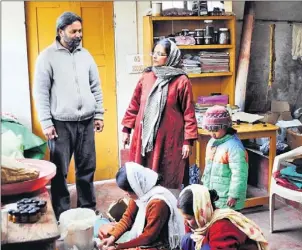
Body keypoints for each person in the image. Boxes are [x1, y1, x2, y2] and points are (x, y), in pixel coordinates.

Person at [33, 12, 104, 218]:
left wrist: (98, 114)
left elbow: (96, 87)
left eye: (80, 31)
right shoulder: (47, 57)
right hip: (60, 123)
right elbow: (41, 92)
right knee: (59, 172)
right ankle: (62, 212)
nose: (78, 35)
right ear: (60, 31)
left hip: (86, 121)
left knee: (87, 168)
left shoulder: (86, 55)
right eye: (73, 31)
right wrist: (46, 122)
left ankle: (87, 209)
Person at [121, 38, 198, 189]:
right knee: (142, 176)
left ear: (170, 58)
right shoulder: (146, 76)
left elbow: (189, 112)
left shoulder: (181, 81)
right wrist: (126, 130)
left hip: (169, 140)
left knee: (167, 175)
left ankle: (164, 206)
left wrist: (187, 142)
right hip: (144, 136)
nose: (155, 57)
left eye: (160, 54)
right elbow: (134, 104)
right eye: (154, 53)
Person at [156, 185, 278, 250]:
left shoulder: (221, 228)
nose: (186, 222)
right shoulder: (200, 220)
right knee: (188, 240)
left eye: (188, 218)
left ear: (199, 212)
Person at [98, 162, 185, 250]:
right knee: (103, 230)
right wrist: (112, 238)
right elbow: (127, 219)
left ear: (135, 186)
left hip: (159, 246)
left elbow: (148, 238)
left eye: (128, 191)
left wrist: (118, 246)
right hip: (142, 236)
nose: (126, 194)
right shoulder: (141, 193)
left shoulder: (158, 203)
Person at [201, 105, 248, 210]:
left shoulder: (234, 147)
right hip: (214, 195)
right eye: (209, 130)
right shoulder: (212, 142)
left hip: (227, 198)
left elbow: (239, 174)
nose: (212, 134)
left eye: (216, 130)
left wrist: (234, 195)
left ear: (226, 127)